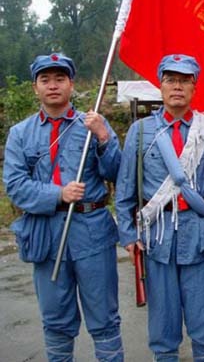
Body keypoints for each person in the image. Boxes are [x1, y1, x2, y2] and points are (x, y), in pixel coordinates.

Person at [3, 53, 124, 361]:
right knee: (56, 321)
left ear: (71, 84)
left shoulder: (94, 122)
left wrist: (104, 138)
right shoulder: (20, 134)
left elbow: (117, 174)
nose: (53, 86)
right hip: (45, 233)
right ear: (35, 87)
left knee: (105, 320)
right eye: (45, 80)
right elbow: (16, 186)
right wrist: (58, 194)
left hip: (92, 231)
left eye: (60, 79)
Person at [115, 54, 204, 362]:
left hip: (200, 238)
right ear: (160, 85)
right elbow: (126, 188)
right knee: (163, 333)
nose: (177, 87)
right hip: (157, 240)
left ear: (194, 87)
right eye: (170, 80)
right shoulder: (140, 133)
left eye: (184, 80)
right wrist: (128, 234)